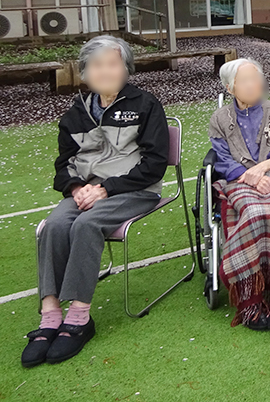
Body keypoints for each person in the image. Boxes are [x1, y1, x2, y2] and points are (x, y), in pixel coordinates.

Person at [24, 36, 168, 368]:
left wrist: (104, 188)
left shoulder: (145, 104)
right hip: (85, 192)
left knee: (87, 224)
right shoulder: (74, 114)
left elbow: (154, 163)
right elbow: (63, 167)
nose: (105, 71)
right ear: (85, 73)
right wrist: (76, 188)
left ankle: (79, 317)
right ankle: (50, 314)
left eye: (113, 64)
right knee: (54, 225)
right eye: (97, 65)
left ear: (126, 70)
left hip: (134, 190)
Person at [209, 58, 270, 330]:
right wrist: (251, 178)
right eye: (246, 81)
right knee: (252, 212)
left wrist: (265, 167)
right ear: (231, 88)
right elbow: (222, 160)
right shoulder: (219, 119)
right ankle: (251, 300)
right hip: (240, 180)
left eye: (257, 78)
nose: (254, 85)